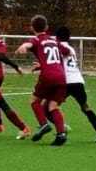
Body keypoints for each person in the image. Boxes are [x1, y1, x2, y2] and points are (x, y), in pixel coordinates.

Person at [17, 14, 71, 145]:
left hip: (48, 76)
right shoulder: (54, 41)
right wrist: (42, 65)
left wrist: (24, 45)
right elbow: (67, 51)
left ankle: (44, 125)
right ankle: (61, 134)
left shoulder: (37, 40)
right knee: (53, 106)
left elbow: (30, 44)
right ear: (46, 27)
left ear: (31, 28)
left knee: (34, 101)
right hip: (61, 76)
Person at [54, 25, 96, 142]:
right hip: (78, 81)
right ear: (69, 38)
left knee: (50, 108)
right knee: (86, 108)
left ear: (56, 37)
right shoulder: (71, 48)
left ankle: (62, 128)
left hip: (66, 82)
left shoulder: (57, 48)